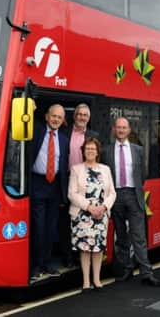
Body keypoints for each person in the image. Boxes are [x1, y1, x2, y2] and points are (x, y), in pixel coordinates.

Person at [102, 117, 160, 287]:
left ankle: (147, 273)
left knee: (139, 236)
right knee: (121, 236)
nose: (121, 130)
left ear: (129, 130)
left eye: (124, 127)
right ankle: (127, 270)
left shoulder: (138, 150)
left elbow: (143, 173)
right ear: (114, 130)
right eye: (119, 127)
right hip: (115, 196)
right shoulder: (106, 151)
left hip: (134, 195)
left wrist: (135, 189)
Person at [68, 137, 116, 292]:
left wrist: (103, 207)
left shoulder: (105, 169)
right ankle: (86, 282)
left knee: (98, 249)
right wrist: (89, 207)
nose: (90, 151)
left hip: (101, 214)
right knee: (85, 249)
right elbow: (72, 194)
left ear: (97, 152)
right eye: (87, 148)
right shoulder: (76, 169)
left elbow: (112, 193)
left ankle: (97, 279)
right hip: (83, 214)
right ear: (83, 151)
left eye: (93, 149)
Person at [30, 104, 70, 280]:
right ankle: (36, 265)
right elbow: (24, 122)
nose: (56, 120)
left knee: (50, 227)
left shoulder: (63, 139)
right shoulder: (37, 131)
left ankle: (46, 263)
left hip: (55, 187)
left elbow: (63, 166)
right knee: (38, 227)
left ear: (63, 121)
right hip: (37, 184)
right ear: (47, 116)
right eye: (53, 116)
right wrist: (28, 107)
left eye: (59, 118)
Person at [60, 103, 100, 267]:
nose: (82, 117)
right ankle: (67, 257)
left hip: (86, 183)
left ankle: (80, 256)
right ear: (74, 116)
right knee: (65, 221)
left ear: (88, 118)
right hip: (66, 181)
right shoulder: (64, 133)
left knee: (83, 222)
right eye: (79, 114)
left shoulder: (94, 135)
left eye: (85, 115)